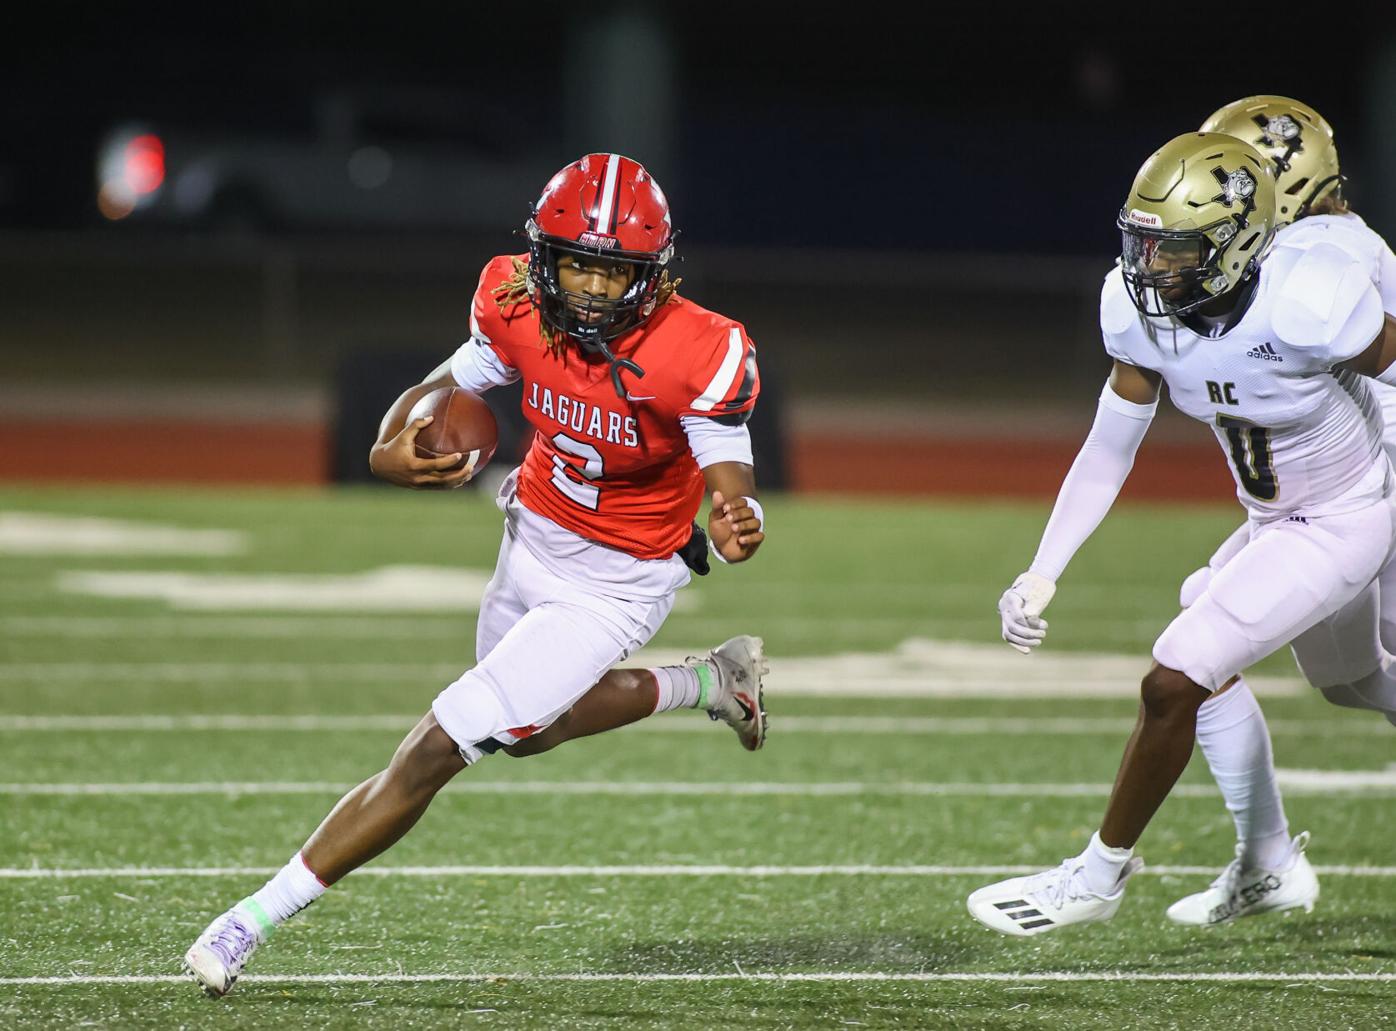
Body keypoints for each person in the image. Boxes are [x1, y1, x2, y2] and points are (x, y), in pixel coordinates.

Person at [183, 153, 771, 995]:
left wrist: (737, 515)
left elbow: (728, 467)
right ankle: (713, 680)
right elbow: (447, 384)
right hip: (531, 534)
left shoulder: (698, 346)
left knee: (440, 742)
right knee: (523, 732)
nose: (596, 290)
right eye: (579, 264)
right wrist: (391, 439)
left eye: (615, 271)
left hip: (619, 578)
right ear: (543, 259)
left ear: (654, 274)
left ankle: (251, 918)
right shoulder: (513, 300)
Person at [966, 131, 1396, 936]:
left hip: (1347, 517)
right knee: (1351, 681)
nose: (1149, 268)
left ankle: (1096, 876)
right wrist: (1043, 567)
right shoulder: (1137, 311)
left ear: (1237, 247)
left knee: (1175, 678)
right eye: (1143, 244)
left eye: (1175, 250)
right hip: (1278, 519)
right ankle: (1269, 862)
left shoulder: (1310, 298)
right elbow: (1108, 445)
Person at [1164, 96, 1396, 927]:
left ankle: (1266, 858)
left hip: (1369, 490)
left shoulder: (1319, 252)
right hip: (1355, 488)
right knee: (1353, 679)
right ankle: (1264, 861)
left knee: (1208, 631)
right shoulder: (1339, 238)